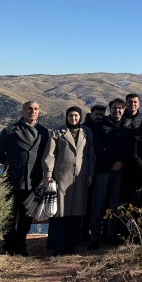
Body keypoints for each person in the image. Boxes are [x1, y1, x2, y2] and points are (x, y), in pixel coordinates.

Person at [0, 101, 49, 256]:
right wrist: (13, 166)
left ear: (39, 112)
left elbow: (46, 155)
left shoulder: (44, 132)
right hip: (13, 180)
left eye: (36, 109)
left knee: (26, 216)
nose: (33, 111)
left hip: (33, 181)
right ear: (22, 111)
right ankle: (9, 246)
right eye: (29, 109)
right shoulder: (10, 131)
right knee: (9, 215)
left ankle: (21, 246)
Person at [42, 107, 95, 256]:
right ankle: (56, 246)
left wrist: (91, 174)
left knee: (76, 213)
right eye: (71, 115)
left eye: (76, 115)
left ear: (80, 117)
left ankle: (71, 245)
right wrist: (48, 175)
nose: (73, 118)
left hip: (80, 178)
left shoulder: (87, 132)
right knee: (58, 213)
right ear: (66, 116)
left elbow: (91, 155)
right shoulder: (57, 132)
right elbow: (50, 155)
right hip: (60, 177)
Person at [88, 98, 134, 250]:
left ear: (123, 109)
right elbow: (98, 147)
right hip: (103, 171)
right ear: (110, 109)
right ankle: (95, 237)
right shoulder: (101, 125)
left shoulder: (129, 125)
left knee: (115, 206)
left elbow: (130, 148)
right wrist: (111, 163)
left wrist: (121, 163)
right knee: (98, 205)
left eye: (120, 108)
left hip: (120, 171)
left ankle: (111, 235)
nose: (117, 110)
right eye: (114, 108)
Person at [81, 104, 105, 241]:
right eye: (97, 114)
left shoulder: (105, 127)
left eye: (101, 115)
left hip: (101, 170)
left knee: (100, 203)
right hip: (86, 170)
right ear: (91, 114)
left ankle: (98, 232)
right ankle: (84, 232)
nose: (99, 117)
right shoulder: (84, 129)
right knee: (86, 203)